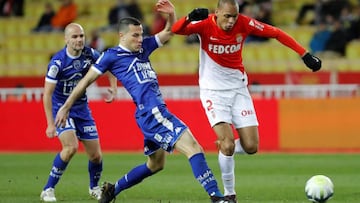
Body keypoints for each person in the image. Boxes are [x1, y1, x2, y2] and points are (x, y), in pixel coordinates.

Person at [54, 1, 229, 203]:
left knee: (155, 165)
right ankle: (217, 197)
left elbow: (169, 33)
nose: (140, 39)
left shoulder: (144, 48)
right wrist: (66, 107)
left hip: (149, 114)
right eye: (135, 35)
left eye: (141, 34)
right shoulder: (111, 56)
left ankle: (112, 190)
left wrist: (173, 15)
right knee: (194, 148)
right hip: (153, 113)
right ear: (122, 36)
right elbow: (85, 81)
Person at [171, 0, 322, 202]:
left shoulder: (245, 23)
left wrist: (304, 54)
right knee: (227, 145)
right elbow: (176, 30)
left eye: (234, 16)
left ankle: (226, 148)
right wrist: (189, 17)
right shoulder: (205, 24)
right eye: (227, 16)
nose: (232, 21)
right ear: (217, 13)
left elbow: (275, 32)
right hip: (213, 92)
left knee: (251, 146)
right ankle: (229, 194)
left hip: (238, 90)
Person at [40, 23, 117, 202]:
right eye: (74, 37)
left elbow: (109, 65)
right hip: (62, 108)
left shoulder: (90, 54)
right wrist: (50, 123)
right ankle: (48, 189)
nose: (79, 40)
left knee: (96, 156)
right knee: (71, 147)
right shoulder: (57, 63)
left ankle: (94, 188)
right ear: (66, 39)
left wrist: (113, 86)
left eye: (81, 36)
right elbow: (47, 94)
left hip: (82, 108)